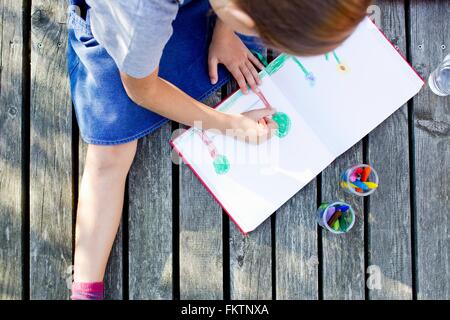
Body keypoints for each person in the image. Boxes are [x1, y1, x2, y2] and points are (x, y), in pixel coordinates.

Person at [67, 0, 372, 300]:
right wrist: (230, 124)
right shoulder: (141, 15)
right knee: (110, 156)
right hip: (117, 32)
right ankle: (85, 289)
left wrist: (226, 33)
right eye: (263, 33)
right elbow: (143, 91)